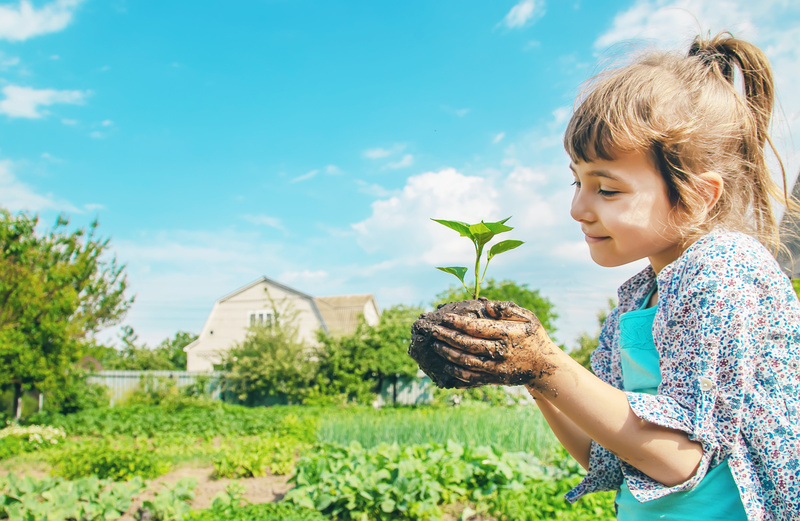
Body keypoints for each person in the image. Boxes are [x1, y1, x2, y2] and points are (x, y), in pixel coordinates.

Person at [426, 32, 800, 521]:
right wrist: (528, 375)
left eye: (606, 188)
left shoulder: (725, 270)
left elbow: (680, 459)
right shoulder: (638, 296)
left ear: (698, 195)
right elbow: (604, 454)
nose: (578, 207)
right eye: (576, 181)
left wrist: (545, 363)